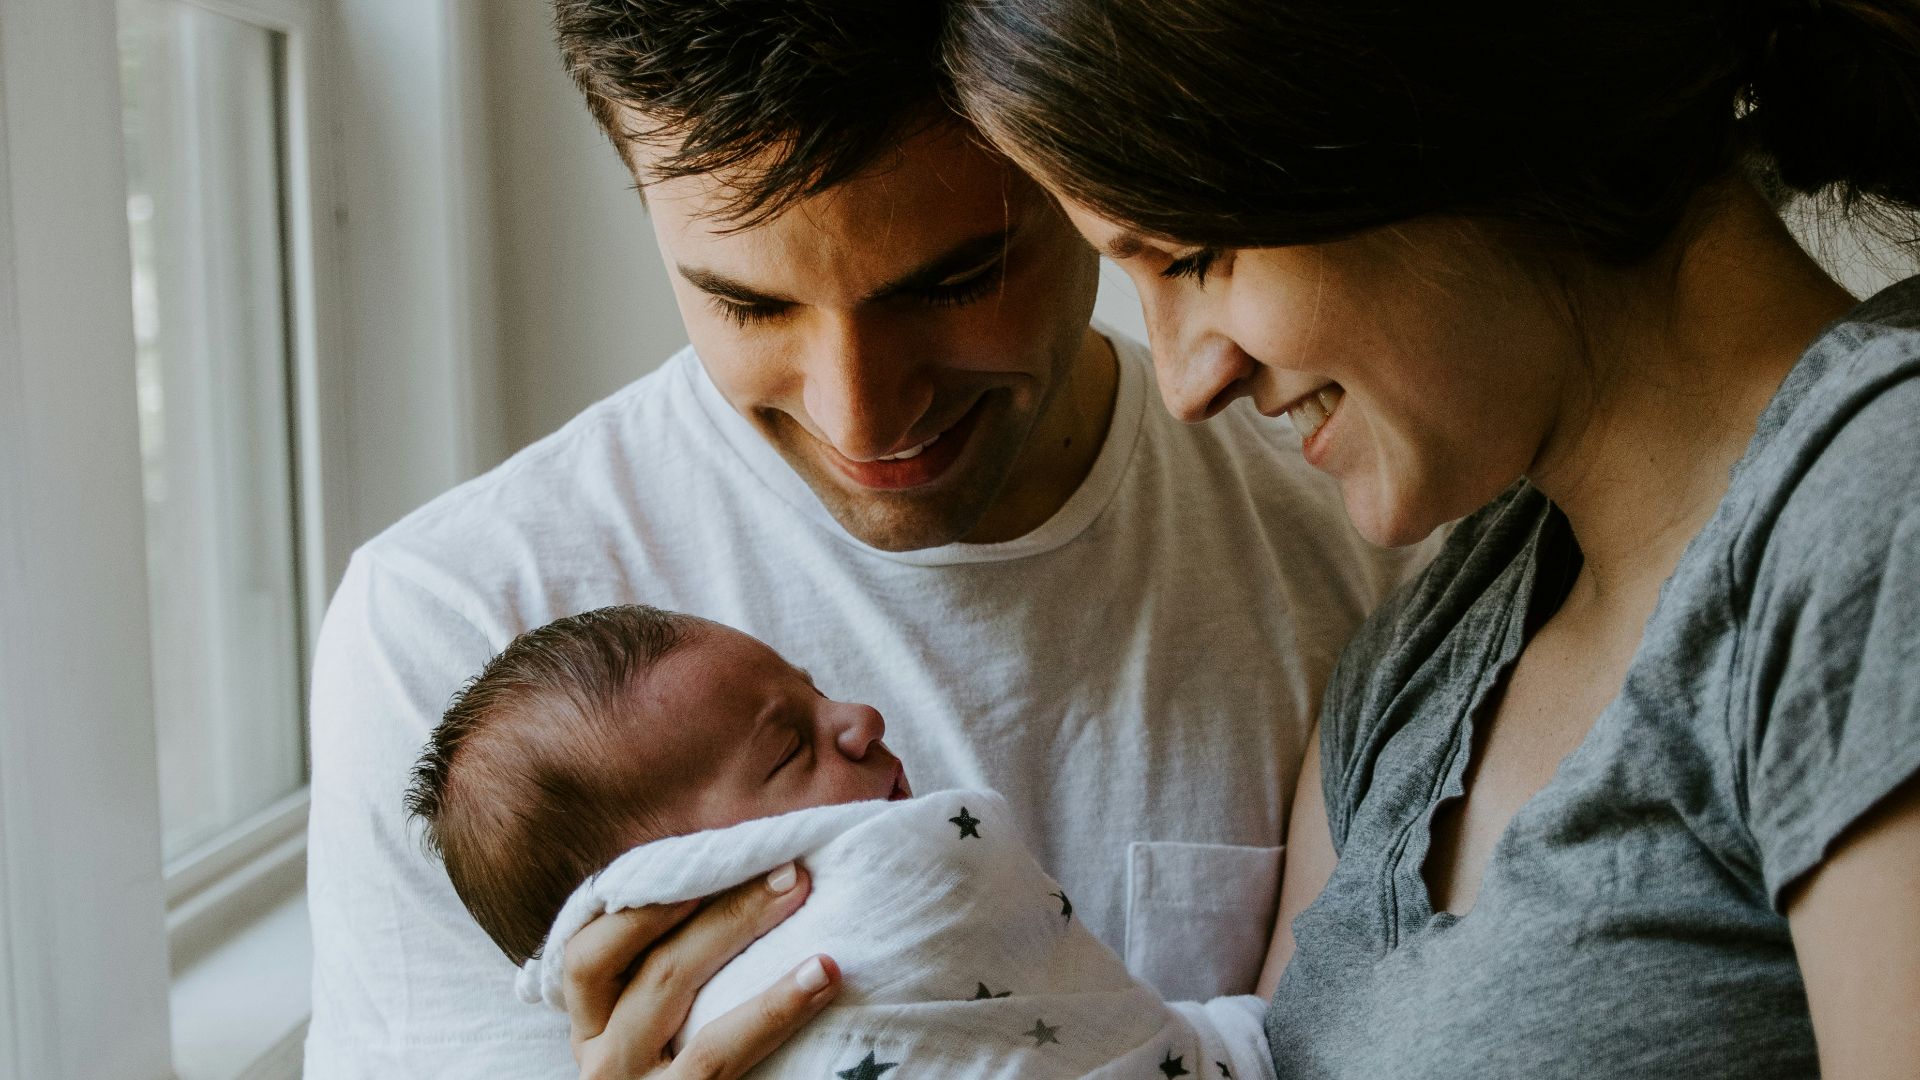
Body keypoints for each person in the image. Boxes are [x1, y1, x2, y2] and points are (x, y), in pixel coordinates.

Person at [301, 1, 1426, 1076]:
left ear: (1081, 173)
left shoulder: (1379, 540)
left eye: (955, 283)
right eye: (749, 304)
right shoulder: (452, 634)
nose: (863, 420)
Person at [941, 0, 1920, 1077]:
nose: (1185, 383)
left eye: (1196, 258)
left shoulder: (1878, 506)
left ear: (1441, 126)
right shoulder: (1421, 660)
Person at [406, 604, 1277, 1079]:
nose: (860, 719)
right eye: (789, 747)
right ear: (673, 888)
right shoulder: (429, 601)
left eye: (816, 689)